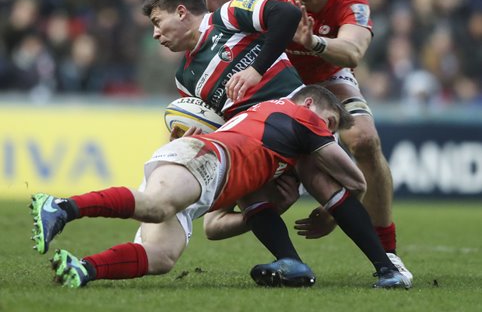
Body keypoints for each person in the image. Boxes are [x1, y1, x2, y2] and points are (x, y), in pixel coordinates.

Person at [138, 0, 411, 288]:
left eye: (157, 23)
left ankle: (387, 269)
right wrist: (190, 137)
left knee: (317, 175)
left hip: (293, 116)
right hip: (257, 139)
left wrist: (256, 69)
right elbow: (215, 121)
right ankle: (292, 263)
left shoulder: (226, 15)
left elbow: (287, 14)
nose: (156, 34)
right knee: (249, 192)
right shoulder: (185, 78)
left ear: (181, 12)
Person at [30, 85, 410, 289]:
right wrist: (329, 214)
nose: (326, 134)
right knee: (157, 205)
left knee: (161, 257)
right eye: (328, 123)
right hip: (207, 158)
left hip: (204, 177)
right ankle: (61, 207)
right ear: (310, 103)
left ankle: (82, 269)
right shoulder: (299, 114)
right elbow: (356, 180)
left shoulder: (268, 138)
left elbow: (213, 228)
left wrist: (266, 211)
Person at [203, 0, 413, 283]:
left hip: (328, 78)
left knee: (364, 139)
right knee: (237, 172)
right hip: (275, 85)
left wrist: (314, 41)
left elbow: (354, 52)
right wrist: (221, 11)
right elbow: (231, 30)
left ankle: (387, 251)